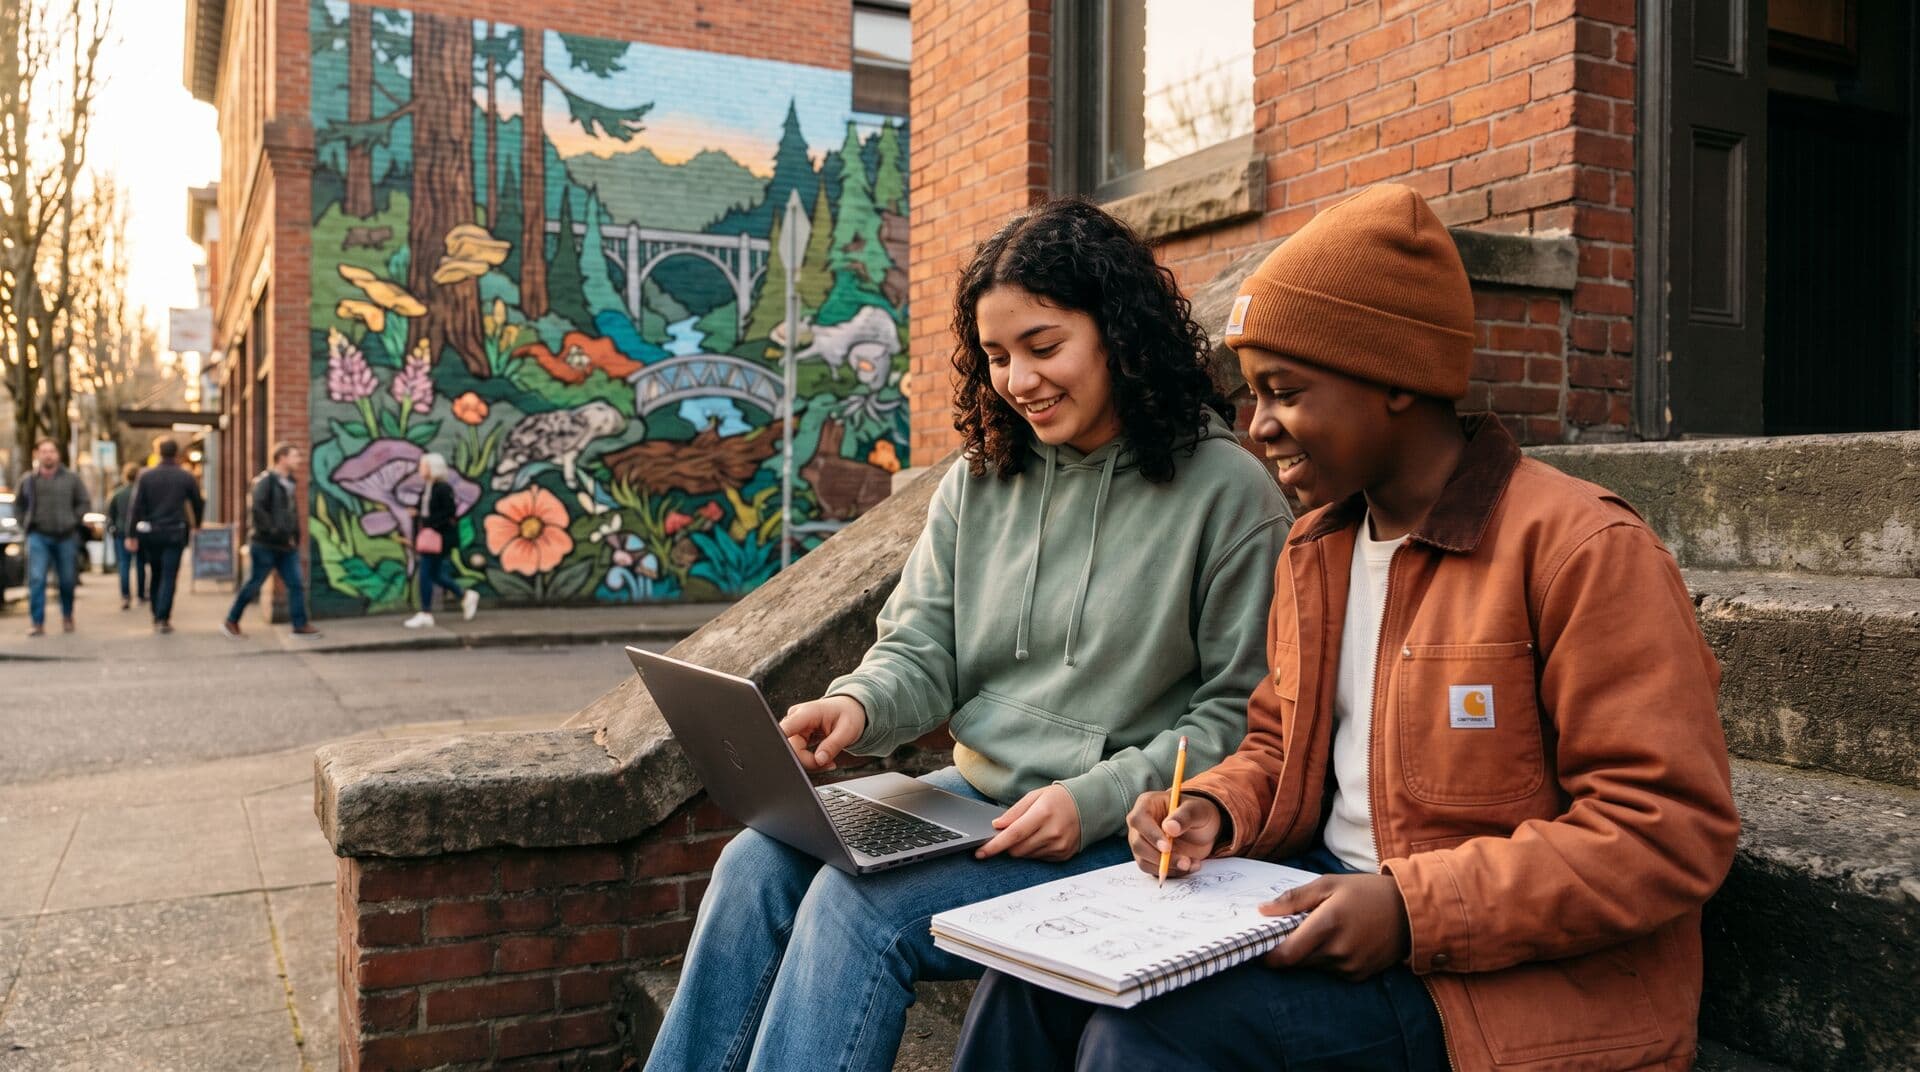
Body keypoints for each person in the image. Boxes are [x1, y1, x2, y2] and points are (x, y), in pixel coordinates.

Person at [952, 184, 1743, 1072]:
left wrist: (1410, 909)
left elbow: (1665, 830)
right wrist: (1214, 807)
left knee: (1145, 1038)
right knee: (1028, 980)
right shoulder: (1318, 548)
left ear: (1396, 380)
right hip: (1323, 907)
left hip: (1495, 988)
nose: (1258, 429)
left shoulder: (1580, 549)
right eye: (1251, 397)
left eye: (1284, 393)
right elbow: (1276, 743)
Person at [645, 198, 1293, 1072]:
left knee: (856, 910)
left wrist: (1089, 801)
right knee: (754, 863)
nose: (1019, 380)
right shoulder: (981, 479)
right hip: (970, 803)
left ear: (1119, 335)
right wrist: (857, 707)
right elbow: (922, 650)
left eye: (1043, 346)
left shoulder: (1229, 496)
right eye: (996, 356)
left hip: (1108, 831)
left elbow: (1236, 719)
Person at [223, 442, 321, 638]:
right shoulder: (265, 481)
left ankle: (299, 625)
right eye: (295, 456)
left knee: (295, 584)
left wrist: (294, 536)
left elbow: (291, 514)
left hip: (286, 546)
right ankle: (231, 620)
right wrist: (275, 531)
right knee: (253, 584)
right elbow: (258, 510)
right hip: (265, 545)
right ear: (282, 458)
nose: (299, 460)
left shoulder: (290, 482)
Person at [126, 437, 205, 635]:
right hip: (175, 532)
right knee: (170, 575)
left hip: (152, 533)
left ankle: (156, 612)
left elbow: (135, 507)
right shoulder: (185, 477)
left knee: (156, 573)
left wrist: (131, 534)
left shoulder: (146, 476)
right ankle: (163, 617)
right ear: (176, 453)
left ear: (157, 452)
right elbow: (198, 502)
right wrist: (197, 524)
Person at [19, 437, 89, 636]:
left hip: (66, 536)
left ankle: (67, 615)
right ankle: (37, 622)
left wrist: (74, 520)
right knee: (36, 579)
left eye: (51, 451)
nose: (48, 455)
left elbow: (83, 502)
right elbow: (18, 505)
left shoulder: (71, 479)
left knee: (67, 580)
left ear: (58, 455)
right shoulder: (28, 480)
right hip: (38, 536)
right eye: (44, 451)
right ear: (37, 454)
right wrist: (24, 522)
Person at [402, 451, 478, 628]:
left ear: (432, 468)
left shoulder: (443, 488)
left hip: (439, 538)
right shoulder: (427, 488)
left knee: (425, 574)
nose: (420, 469)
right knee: (434, 574)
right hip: (430, 537)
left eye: (423, 465)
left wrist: (425, 519)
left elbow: (449, 513)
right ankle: (465, 595)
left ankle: (425, 612)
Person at [106, 462, 148, 610]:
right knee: (140, 564)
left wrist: (113, 529)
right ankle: (141, 595)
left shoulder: (117, 494)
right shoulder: (142, 493)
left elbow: (110, 515)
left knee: (124, 565)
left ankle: (125, 596)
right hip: (139, 532)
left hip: (121, 533)